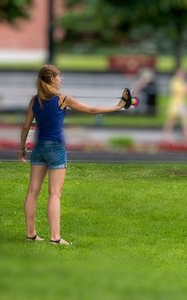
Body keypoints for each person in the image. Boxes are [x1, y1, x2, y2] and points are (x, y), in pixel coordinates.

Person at [18, 64, 128, 245]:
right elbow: (92, 111)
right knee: (55, 194)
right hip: (56, 148)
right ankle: (55, 238)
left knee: (32, 191)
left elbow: (25, 126)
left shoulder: (34, 100)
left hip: (39, 149)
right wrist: (117, 107)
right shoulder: (62, 99)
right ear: (52, 79)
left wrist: (22, 148)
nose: (61, 80)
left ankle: (31, 235)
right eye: (59, 76)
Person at [162, 68, 187, 142]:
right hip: (176, 103)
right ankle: (165, 136)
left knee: (186, 120)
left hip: (182, 103)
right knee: (171, 120)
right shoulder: (174, 81)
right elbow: (175, 90)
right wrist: (186, 89)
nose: (184, 75)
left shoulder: (183, 82)